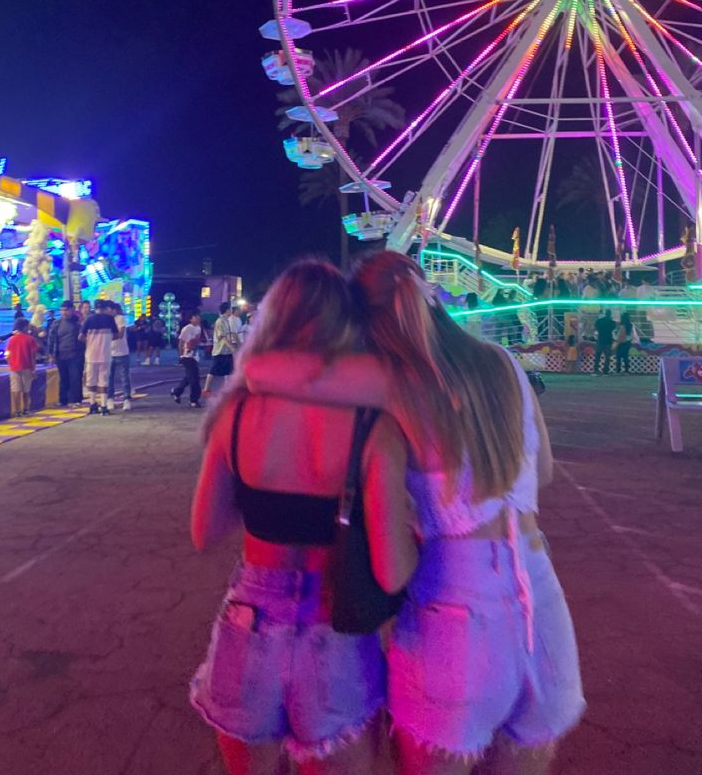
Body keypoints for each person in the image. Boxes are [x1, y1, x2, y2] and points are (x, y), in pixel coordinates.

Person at [246, 251, 584, 774]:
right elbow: (542, 474)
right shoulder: (503, 363)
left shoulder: (394, 383)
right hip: (542, 606)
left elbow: (260, 370)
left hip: (455, 618)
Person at [190, 259, 416, 774]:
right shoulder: (370, 424)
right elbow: (390, 570)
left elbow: (204, 532)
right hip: (333, 628)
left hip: (248, 622)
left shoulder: (235, 414)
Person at [79, 299, 118, 415]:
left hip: (91, 355)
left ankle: (92, 404)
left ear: (94, 307)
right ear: (105, 308)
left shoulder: (89, 319)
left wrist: (90, 341)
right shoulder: (110, 319)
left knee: (91, 381)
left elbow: (80, 337)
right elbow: (116, 335)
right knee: (104, 381)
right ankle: (104, 406)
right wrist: (106, 340)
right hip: (105, 355)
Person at [48, 301, 83, 407]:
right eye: (62, 310)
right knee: (63, 379)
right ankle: (63, 400)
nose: (64, 312)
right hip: (61, 355)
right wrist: (51, 354)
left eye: (66, 310)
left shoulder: (78, 323)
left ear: (72, 310)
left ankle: (76, 400)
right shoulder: (56, 324)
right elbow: (51, 339)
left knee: (75, 378)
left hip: (75, 355)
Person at [5, 318, 39, 417]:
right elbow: (33, 355)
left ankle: (17, 411)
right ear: (24, 327)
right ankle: (26, 409)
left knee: (15, 389)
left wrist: (10, 363)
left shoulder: (12, 339)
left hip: (14, 367)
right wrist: (34, 369)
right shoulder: (30, 339)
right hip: (27, 367)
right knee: (26, 389)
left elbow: (8, 354)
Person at [172, 312, 202, 408]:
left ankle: (176, 391)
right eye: (195, 317)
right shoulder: (187, 329)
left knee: (189, 377)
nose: (197, 319)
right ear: (190, 319)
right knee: (194, 379)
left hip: (194, 355)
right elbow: (181, 342)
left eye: (198, 317)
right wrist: (181, 355)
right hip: (187, 356)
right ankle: (193, 400)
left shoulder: (198, 328)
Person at [107, 301, 132, 411]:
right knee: (109, 378)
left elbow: (120, 334)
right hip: (108, 353)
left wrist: (105, 338)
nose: (107, 311)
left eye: (108, 309)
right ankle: (110, 399)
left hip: (122, 352)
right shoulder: (105, 320)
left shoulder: (120, 318)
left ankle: (126, 399)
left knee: (124, 377)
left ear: (114, 309)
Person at [208, 302, 237, 387]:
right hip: (219, 350)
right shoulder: (220, 321)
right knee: (213, 370)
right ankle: (206, 388)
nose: (231, 310)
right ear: (227, 310)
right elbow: (223, 337)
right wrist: (231, 347)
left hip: (226, 350)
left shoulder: (226, 320)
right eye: (231, 309)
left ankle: (228, 387)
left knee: (229, 370)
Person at [594, 309, 616, 375]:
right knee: (607, 357)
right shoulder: (612, 322)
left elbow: (596, 327)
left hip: (600, 339)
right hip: (608, 340)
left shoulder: (599, 321)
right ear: (610, 314)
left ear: (605, 313)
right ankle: (605, 370)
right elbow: (613, 328)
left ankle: (596, 369)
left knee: (598, 355)